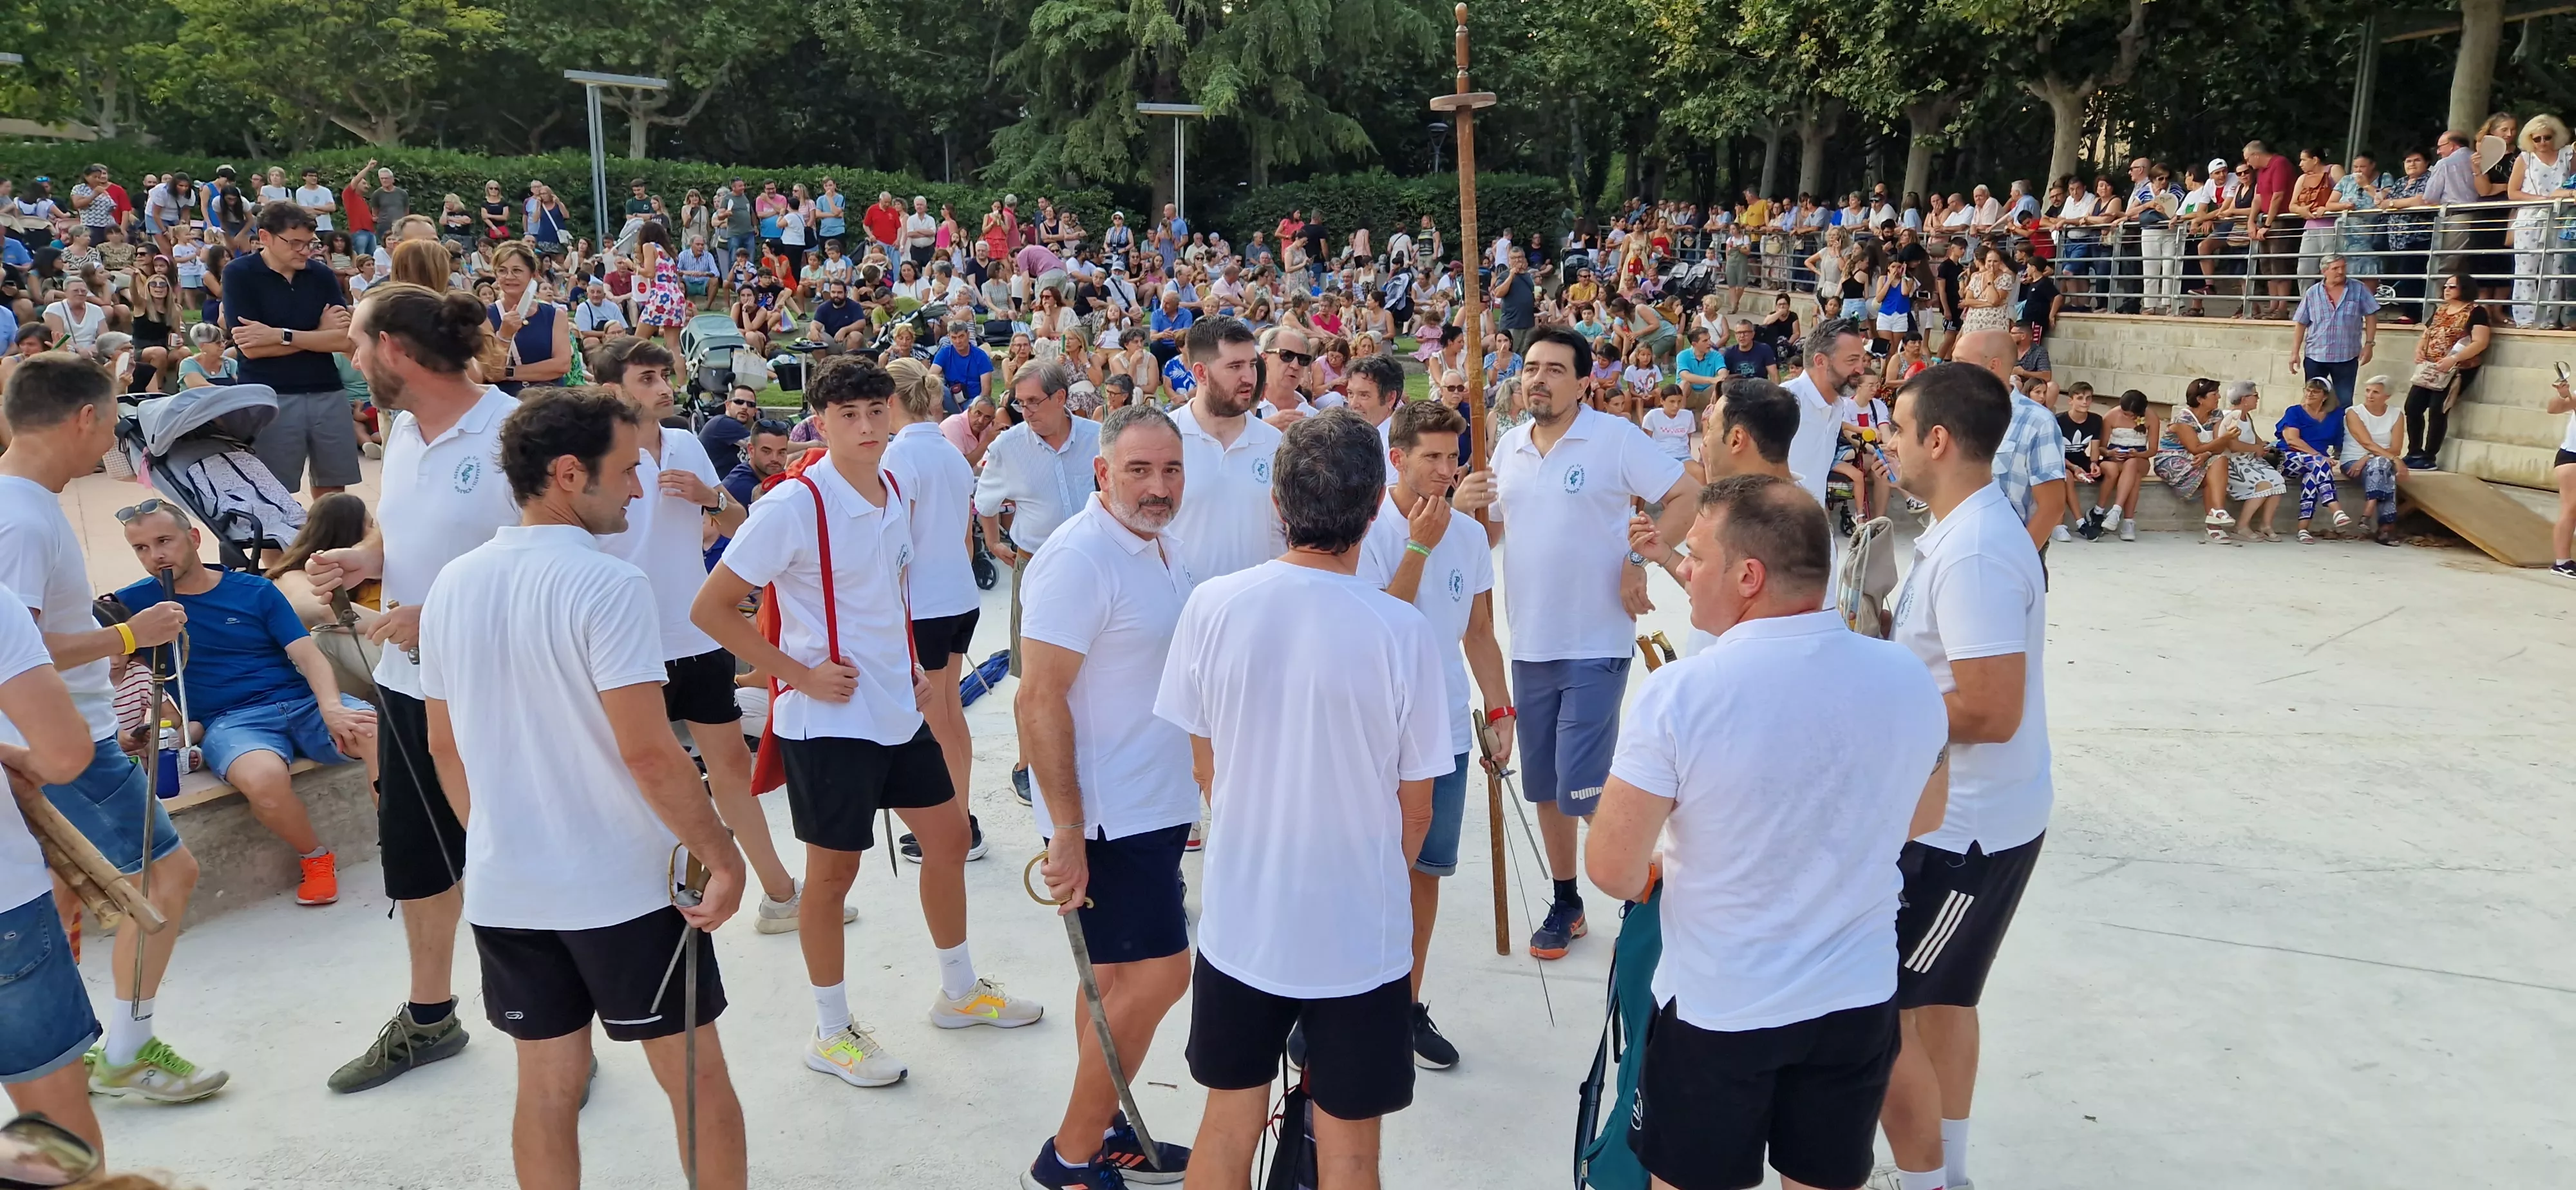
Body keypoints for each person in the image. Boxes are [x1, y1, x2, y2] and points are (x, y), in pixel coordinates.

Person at [419, 388, 750, 1190]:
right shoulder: (609, 586)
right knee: (697, 1081)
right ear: (570, 474)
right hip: (621, 887)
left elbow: (443, 747)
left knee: (546, 1089)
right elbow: (650, 753)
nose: (640, 489)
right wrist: (722, 854)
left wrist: (499, 843)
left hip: (508, 888)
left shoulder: (452, 585)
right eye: (629, 470)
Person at [1590, 473, 1949, 1190]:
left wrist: (1662, 866)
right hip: (1854, 997)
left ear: (1747, 576)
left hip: (1721, 1007)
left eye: (1694, 556)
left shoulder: (1682, 692)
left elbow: (1611, 867)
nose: (1682, 571)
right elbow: (1925, 816)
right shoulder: (1907, 676)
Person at [692, 359, 1041, 1092]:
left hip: (893, 702)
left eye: (874, 410)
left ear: (892, 412)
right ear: (820, 423)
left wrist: (909, 663)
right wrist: (797, 673)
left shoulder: (896, 486)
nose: (864, 425)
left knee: (947, 839)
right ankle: (830, 1032)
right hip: (827, 718)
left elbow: (886, 589)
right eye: (846, 414)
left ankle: (959, 990)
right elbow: (712, 608)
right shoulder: (793, 506)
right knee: (832, 876)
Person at [1154, 409, 1450, 1190]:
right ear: (1377, 502)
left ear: (1277, 505)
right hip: (1362, 931)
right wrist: (1371, 877)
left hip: (1245, 915)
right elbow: (1413, 808)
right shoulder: (1402, 631)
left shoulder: (1212, 605)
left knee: (1227, 1125)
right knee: (1352, 1151)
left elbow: (1204, 763)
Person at [305, 284, 517, 1094]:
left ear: (395, 349)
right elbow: (405, 530)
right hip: (408, 684)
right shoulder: (398, 429)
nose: (354, 363)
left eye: (359, 347)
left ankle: (561, 1023)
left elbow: (554, 560)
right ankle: (431, 1018)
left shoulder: (509, 433)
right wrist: (368, 560)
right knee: (422, 858)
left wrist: (442, 612)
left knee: (514, 853)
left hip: (497, 689)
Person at [0, 353, 227, 1104]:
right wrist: (131, 637)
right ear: (83, 418)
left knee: (67, 900)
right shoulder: (24, 516)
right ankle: (126, 1051)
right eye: (110, 426)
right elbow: (19, 647)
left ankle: (83, 1054)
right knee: (168, 875)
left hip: (55, 738)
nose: (110, 448)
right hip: (66, 743)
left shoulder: (21, 505)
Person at [1873, 363, 2052, 1190]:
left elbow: (1989, 707)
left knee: (1889, 1015)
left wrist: (1875, 706)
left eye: (1899, 430)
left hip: (1962, 835)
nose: (1889, 443)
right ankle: (1950, 1174)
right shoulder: (1960, 529)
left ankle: (1925, 1182)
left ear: (1937, 441)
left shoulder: (1975, 549)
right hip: (1971, 821)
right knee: (1944, 1001)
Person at [1014, 404, 1201, 1187]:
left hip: (1153, 805)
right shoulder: (1081, 558)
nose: (1157, 488)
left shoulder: (1154, 545)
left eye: (1170, 471)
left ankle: (1107, 1115)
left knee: (1119, 985)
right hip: (1108, 816)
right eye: (1138, 471)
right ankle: (1069, 1156)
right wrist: (1065, 829)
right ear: (1102, 472)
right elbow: (1036, 698)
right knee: (1163, 976)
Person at [589, 339, 817, 938]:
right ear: (613, 388)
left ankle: (779, 893)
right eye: (647, 378)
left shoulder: (686, 442)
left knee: (731, 770)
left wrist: (711, 497)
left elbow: (738, 527)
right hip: (626, 647)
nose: (663, 387)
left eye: (665, 375)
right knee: (636, 782)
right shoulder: (586, 451)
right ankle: (646, 907)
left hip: (696, 637)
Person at [1489, 326, 1698, 959]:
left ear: (1584, 381)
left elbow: (1685, 491)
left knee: (1582, 783)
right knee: (1548, 784)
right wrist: (1467, 511)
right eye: (1531, 368)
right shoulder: (1507, 447)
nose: (1539, 379)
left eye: (1555, 369)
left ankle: (1644, 882)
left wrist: (1638, 556)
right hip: (1529, 640)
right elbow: (1491, 536)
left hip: (1596, 638)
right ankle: (1566, 900)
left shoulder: (1614, 439)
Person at [113, 501, 376, 907]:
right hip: (231, 722)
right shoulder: (133, 605)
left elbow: (308, 655)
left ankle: (399, 838)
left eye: (164, 541)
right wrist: (119, 730)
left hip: (301, 702)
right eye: (141, 548)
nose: (156, 556)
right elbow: (85, 662)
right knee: (263, 781)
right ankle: (316, 858)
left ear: (194, 539)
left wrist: (331, 707)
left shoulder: (255, 590)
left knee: (374, 732)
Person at [1356, 399, 1510, 1070]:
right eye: (1433, 457)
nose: (1448, 471)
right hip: (1370, 732)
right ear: (1397, 459)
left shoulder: (1473, 536)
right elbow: (1371, 628)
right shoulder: (1362, 528)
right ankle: (1337, 1004)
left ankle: (1401, 1008)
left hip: (1442, 728)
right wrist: (1419, 545)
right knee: (1362, 871)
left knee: (1423, 877)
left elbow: (1479, 633)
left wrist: (1500, 714)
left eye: (1455, 457)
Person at [880, 358, 990, 863]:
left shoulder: (899, 458)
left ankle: (953, 829)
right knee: (949, 716)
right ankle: (961, 820)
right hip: (959, 597)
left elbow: (896, 544)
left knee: (936, 721)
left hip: (923, 603)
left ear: (891, 401)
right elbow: (964, 536)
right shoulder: (948, 451)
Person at [224, 202, 359, 495]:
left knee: (334, 488)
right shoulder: (240, 274)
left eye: (309, 243)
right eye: (294, 243)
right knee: (274, 493)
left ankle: (330, 540)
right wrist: (319, 334)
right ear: (266, 237)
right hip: (270, 396)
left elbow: (344, 340)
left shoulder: (321, 275)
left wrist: (280, 336)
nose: (304, 251)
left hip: (327, 391)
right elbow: (252, 350)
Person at [1166, 316, 1286, 585]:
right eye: (1235, 366)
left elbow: (1280, 532)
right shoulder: (1165, 439)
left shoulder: (1273, 443)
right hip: (1183, 614)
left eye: (1253, 365)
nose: (1249, 378)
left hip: (1255, 610)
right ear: (1200, 373)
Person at [2402, 272, 2488, 470]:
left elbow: (2480, 341)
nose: (2447, 290)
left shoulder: (2476, 311)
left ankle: (2430, 455)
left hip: (2457, 368)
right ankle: (2414, 451)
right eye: (2446, 287)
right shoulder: (2441, 310)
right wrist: (2419, 350)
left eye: (2452, 287)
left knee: (2437, 409)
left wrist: (2454, 359)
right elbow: (2427, 333)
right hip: (2431, 367)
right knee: (2413, 407)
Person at [1786, 318, 1873, 502]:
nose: (1861, 369)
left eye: (1862, 359)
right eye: (1852, 360)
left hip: (1811, 522)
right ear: (1820, 361)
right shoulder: (1783, 401)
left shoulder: (1838, 405)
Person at [2288, 256, 2378, 409]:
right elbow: (2301, 323)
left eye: (2343, 267)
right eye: (2335, 268)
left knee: (2344, 402)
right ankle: (2314, 432)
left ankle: (2341, 432)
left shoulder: (2359, 288)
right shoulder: (2312, 293)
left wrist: (2369, 344)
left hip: (2346, 357)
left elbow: (2371, 315)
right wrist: (2294, 353)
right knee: (2313, 401)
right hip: (2316, 356)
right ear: (2324, 271)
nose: (2341, 271)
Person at [2275, 376, 2354, 542]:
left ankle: (2303, 530)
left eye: (2315, 392)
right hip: (2288, 458)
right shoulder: (2295, 411)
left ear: (2325, 396)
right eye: (2308, 390)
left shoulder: (2335, 415)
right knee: (2318, 463)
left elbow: (2341, 440)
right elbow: (2292, 440)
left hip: (2316, 464)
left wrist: (2334, 458)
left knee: (2312, 477)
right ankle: (2335, 508)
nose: (2310, 394)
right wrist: (2319, 456)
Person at [2341, 376, 2408, 546]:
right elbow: (2366, 443)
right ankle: (2386, 528)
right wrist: (2390, 459)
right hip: (2353, 462)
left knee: (2381, 466)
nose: (2370, 395)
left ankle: (2369, 510)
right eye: (2368, 390)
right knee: (2385, 468)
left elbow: (2396, 448)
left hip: (2374, 461)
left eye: (2376, 392)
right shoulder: (2353, 412)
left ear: (2387, 396)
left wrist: (2369, 458)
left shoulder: (2396, 415)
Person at [2550, 372, 2576, 578]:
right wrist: (2563, 396)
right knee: (2571, 507)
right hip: (2572, 457)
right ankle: (2562, 562)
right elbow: (2554, 409)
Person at [1641, 384, 1699, 463]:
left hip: (1684, 457)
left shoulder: (1688, 415)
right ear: (1662, 401)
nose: (1676, 406)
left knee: (1699, 472)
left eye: (1679, 401)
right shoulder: (1653, 415)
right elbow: (1646, 442)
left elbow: (1688, 442)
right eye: (1672, 402)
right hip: (1661, 457)